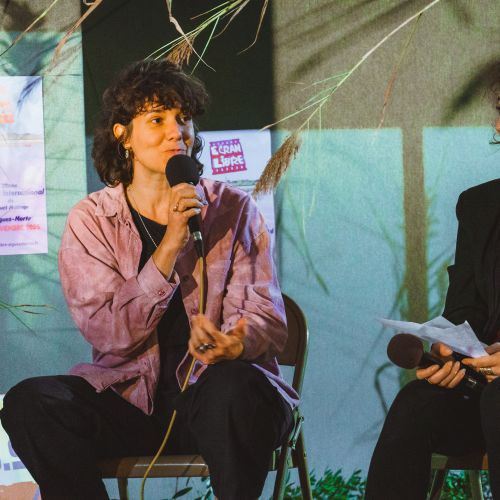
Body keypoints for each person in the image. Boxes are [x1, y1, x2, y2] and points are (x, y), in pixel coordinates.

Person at [0, 59, 298, 500]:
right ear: (124, 135)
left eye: (183, 118)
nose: (176, 131)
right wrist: (170, 245)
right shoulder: (93, 220)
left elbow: (266, 319)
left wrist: (234, 343)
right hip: (129, 404)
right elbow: (109, 333)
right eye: (157, 119)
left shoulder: (233, 210)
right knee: (30, 402)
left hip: (218, 401)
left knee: (234, 387)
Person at [366, 98, 500, 499]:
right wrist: (449, 351)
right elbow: (465, 308)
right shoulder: (480, 206)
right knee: (415, 405)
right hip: (485, 385)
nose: (498, 124)